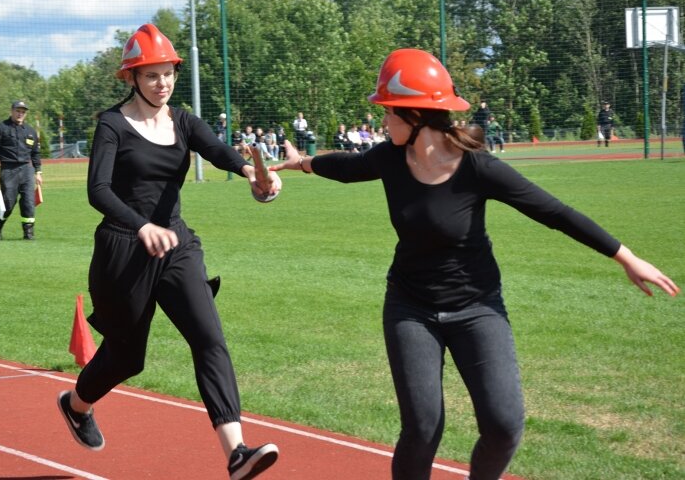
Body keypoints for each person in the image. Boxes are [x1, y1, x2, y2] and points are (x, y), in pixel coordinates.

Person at [271, 48, 680, 480]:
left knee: (504, 425)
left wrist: (626, 257)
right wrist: (303, 163)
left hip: (477, 307)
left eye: (388, 112)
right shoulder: (389, 158)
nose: (381, 121)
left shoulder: (478, 168)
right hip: (411, 308)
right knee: (423, 427)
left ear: (415, 117)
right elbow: (347, 166)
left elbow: (555, 213)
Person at [55, 24, 280, 480]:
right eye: (153, 76)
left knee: (209, 339)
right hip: (123, 251)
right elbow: (97, 191)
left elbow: (217, 151)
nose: (164, 83)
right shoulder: (112, 125)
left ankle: (236, 453)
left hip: (176, 245)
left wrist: (252, 175)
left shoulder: (182, 121)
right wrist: (141, 227)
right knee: (126, 357)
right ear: (132, 78)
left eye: (169, 74)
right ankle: (76, 405)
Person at [0, 100, 42, 240]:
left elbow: (35, 153)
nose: (20, 114)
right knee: (8, 203)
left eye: (23, 112)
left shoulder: (30, 131)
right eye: (18, 111)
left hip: (27, 170)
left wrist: (38, 172)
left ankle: (28, 233)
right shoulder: (0, 128)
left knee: (28, 202)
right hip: (8, 170)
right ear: (11, 111)